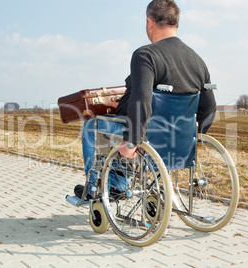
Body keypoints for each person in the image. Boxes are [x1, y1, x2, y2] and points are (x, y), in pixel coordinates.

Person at [75, 0, 216, 199]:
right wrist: (192, 136)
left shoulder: (146, 55)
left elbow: (141, 99)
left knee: (92, 127)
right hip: (179, 139)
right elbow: (209, 108)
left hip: (149, 135)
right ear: (176, 23)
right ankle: (119, 183)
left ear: (149, 22)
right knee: (123, 128)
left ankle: (97, 189)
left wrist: (132, 141)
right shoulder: (197, 60)